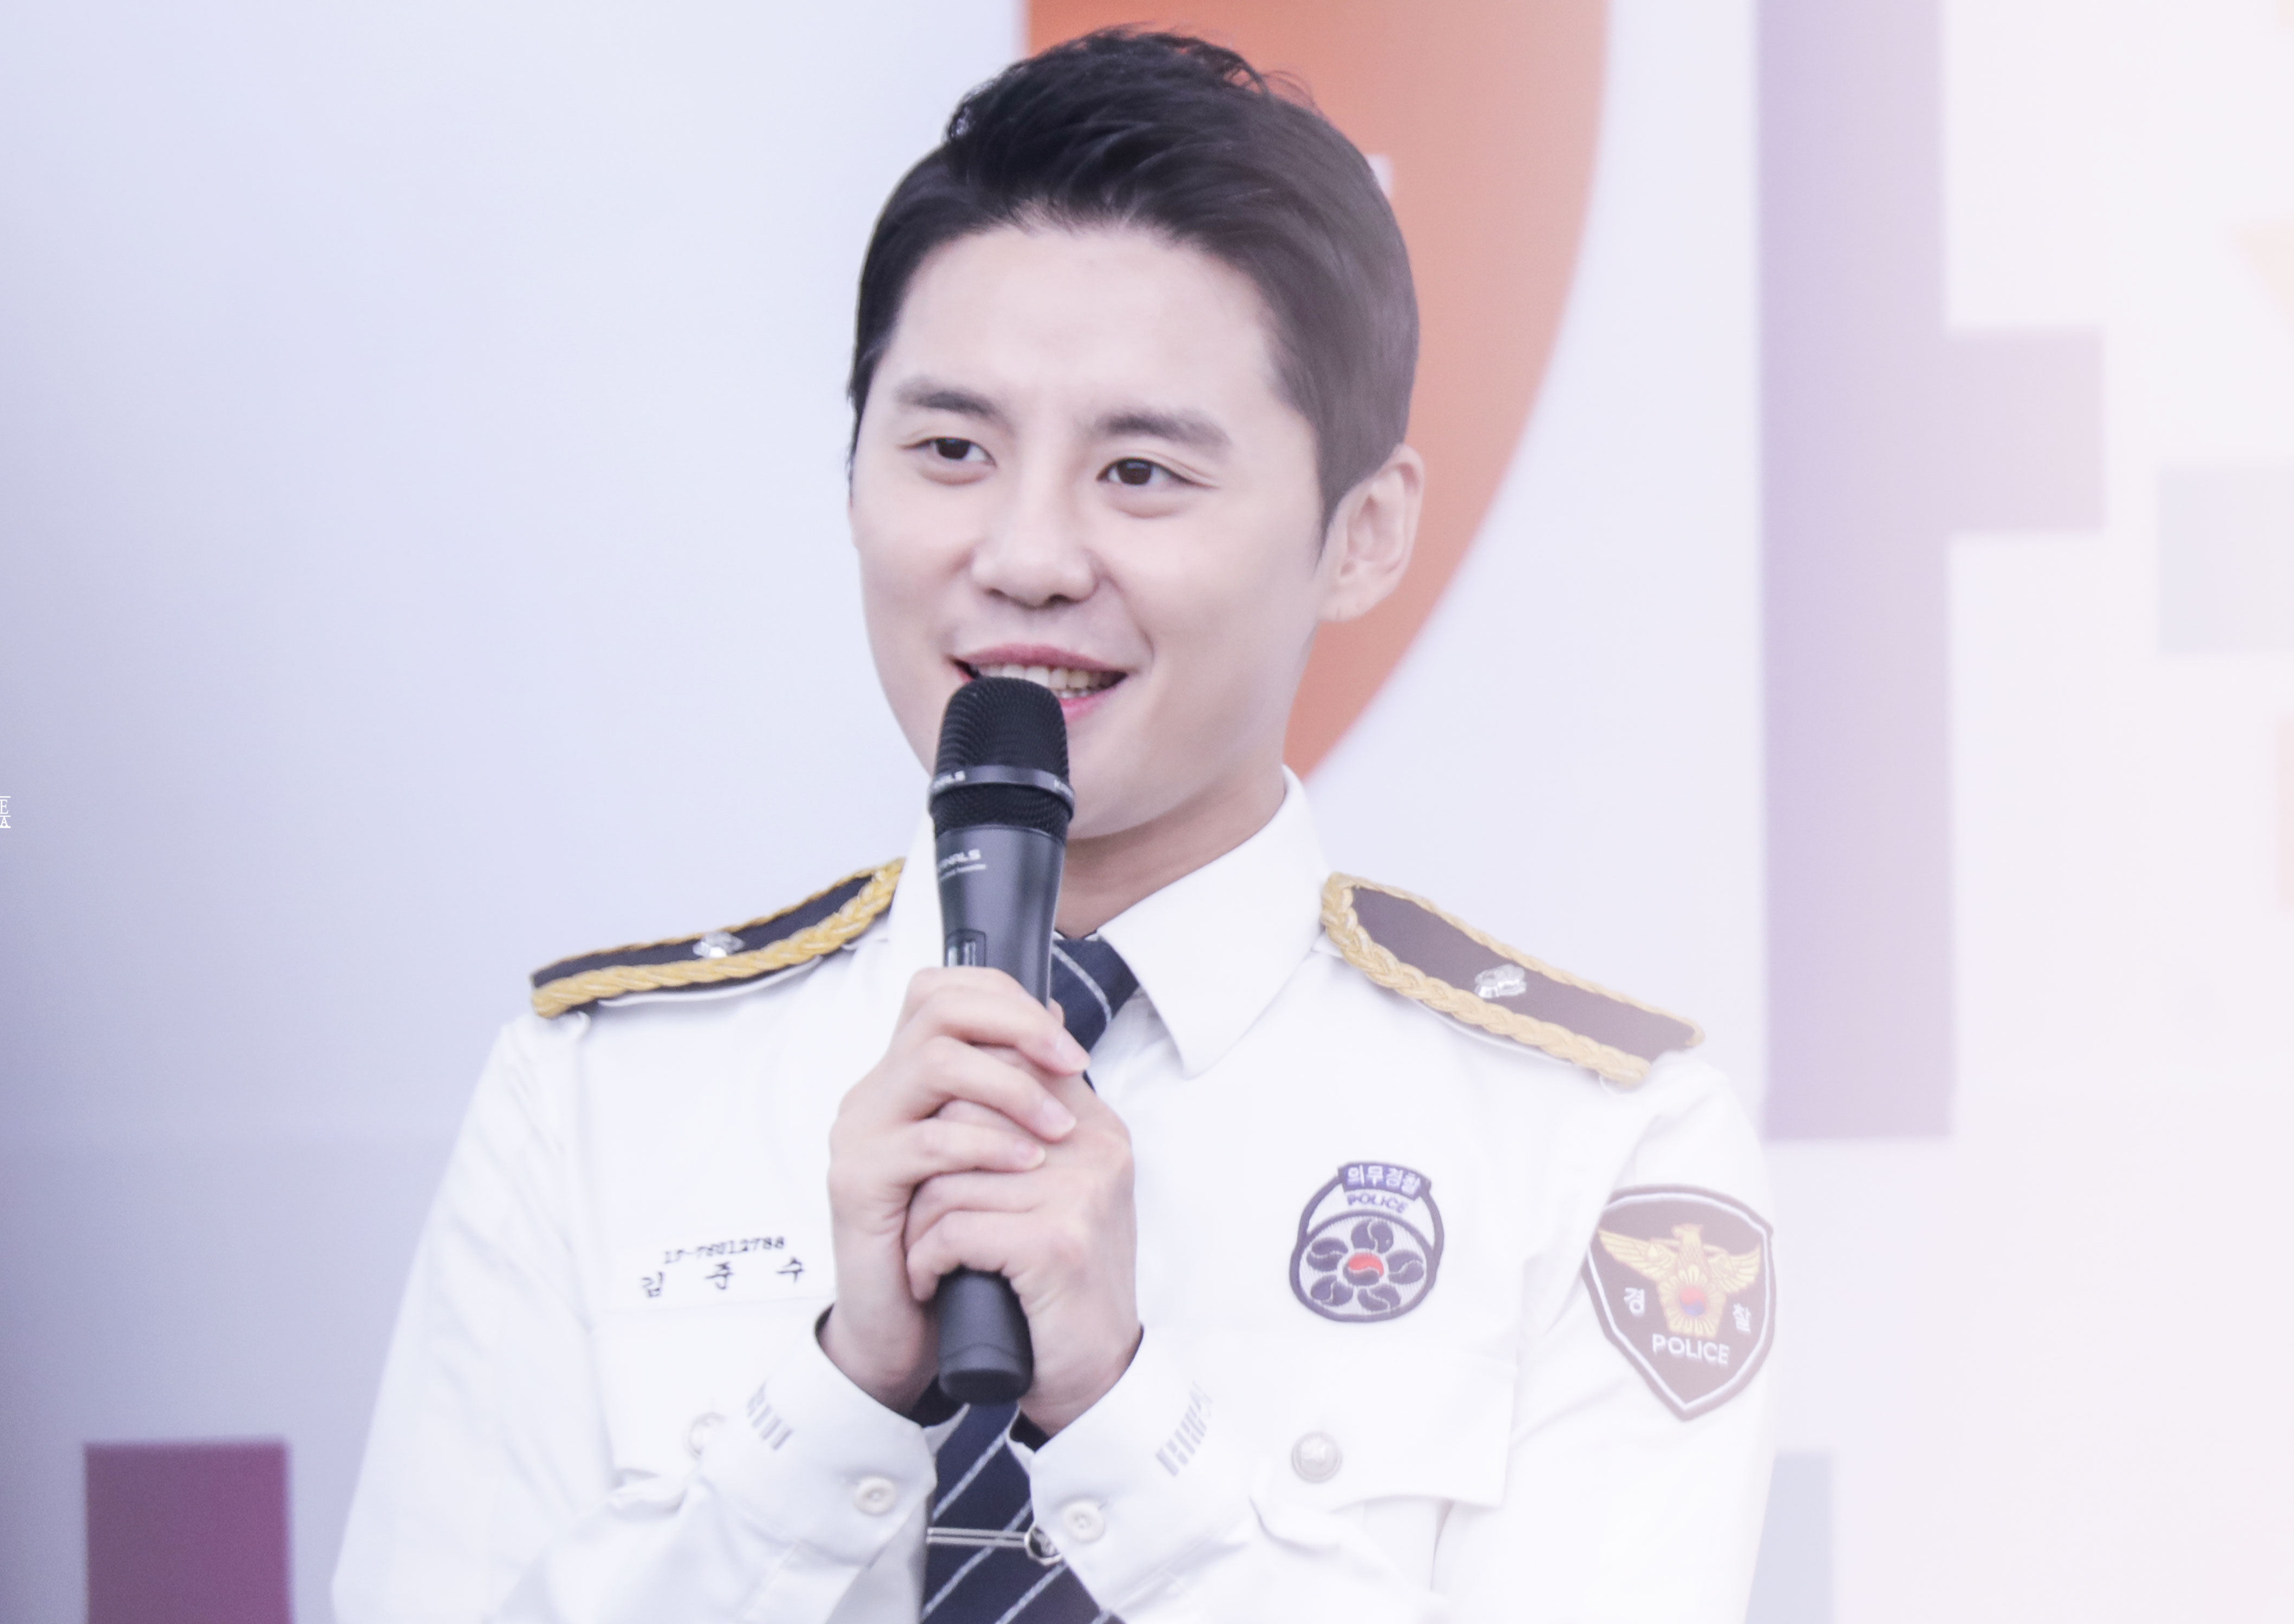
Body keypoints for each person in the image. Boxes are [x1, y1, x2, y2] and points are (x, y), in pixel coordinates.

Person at [334, 30, 1776, 1624]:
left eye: (1140, 472)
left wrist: (1120, 1420)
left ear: (1362, 534)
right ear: (851, 475)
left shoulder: (1590, 1149)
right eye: (951, 451)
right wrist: (838, 1405)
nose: (1025, 556)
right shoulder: (602, 1099)